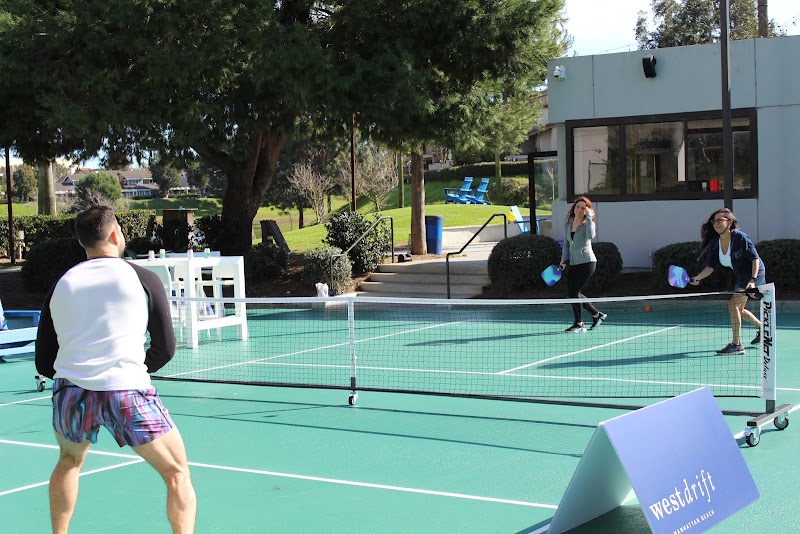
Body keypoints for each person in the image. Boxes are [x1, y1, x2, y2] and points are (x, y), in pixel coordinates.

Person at [35, 206, 196, 533]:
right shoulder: (144, 278)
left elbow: (43, 360)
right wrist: (130, 369)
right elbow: (165, 348)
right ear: (115, 235)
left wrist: (79, 376)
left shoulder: (61, 284)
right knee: (177, 472)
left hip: (71, 391)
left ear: (83, 243)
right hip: (127, 391)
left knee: (69, 461)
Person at [689, 208, 765, 355]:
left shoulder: (740, 237)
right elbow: (710, 267)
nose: (716, 223)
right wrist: (698, 277)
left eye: (720, 220)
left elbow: (755, 259)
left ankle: (736, 345)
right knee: (739, 309)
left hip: (754, 272)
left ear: (729, 222)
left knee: (732, 305)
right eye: (714, 221)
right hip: (742, 274)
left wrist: (753, 280)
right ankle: (763, 328)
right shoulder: (714, 244)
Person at [559, 196, 607, 333]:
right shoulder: (568, 224)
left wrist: (590, 218)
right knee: (573, 293)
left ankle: (579, 323)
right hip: (573, 263)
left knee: (574, 292)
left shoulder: (587, 224)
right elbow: (567, 245)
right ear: (574, 208)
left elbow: (591, 236)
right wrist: (563, 261)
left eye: (583, 207)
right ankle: (597, 315)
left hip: (587, 262)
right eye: (577, 206)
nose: (579, 209)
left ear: (586, 210)